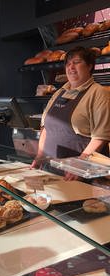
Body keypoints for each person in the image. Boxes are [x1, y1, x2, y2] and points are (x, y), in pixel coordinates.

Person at [31, 46, 110, 180]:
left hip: (79, 173)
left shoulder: (98, 93)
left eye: (77, 62)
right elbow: (45, 127)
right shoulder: (59, 92)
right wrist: (40, 156)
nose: (71, 67)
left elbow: (100, 137)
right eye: (68, 63)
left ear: (90, 66)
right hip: (50, 169)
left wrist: (80, 165)